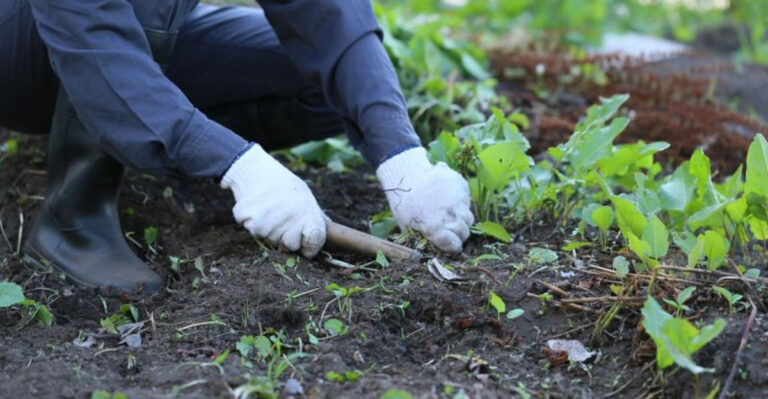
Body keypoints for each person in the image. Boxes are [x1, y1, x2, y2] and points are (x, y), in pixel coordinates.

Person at [0, 0, 473, 295]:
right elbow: (94, 42)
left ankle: (149, 131)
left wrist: (401, 155)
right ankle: (72, 220)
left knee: (321, 83)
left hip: (138, 26)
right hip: (26, 41)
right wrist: (238, 165)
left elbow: (327, 15)